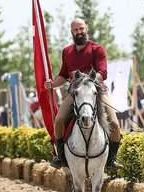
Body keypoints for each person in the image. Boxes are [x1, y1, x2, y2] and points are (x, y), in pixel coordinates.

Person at [44, 18, 123, 170]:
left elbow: (103, 73)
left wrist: (87, 80)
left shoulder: (97, 49)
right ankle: (60, 157)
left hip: (97, 92)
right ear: (71, 32)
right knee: (59, 120)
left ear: (86, 28)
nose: (79, 32)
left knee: (114, 123)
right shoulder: (66, 51)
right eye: (76, 30)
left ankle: (111, 158)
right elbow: (63, 75)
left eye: (81, 29)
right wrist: (52, 84)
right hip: (75, 93)